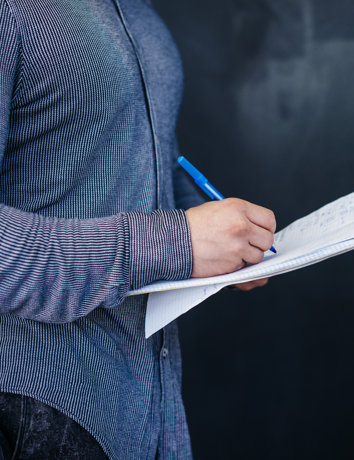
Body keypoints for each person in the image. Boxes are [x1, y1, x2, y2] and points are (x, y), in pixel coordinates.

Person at [0, 1, 275, 459]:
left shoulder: (141, 13)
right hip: (34, 408)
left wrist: (224, 235)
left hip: (148, 405)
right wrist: (174, 242)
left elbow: (136, 161)